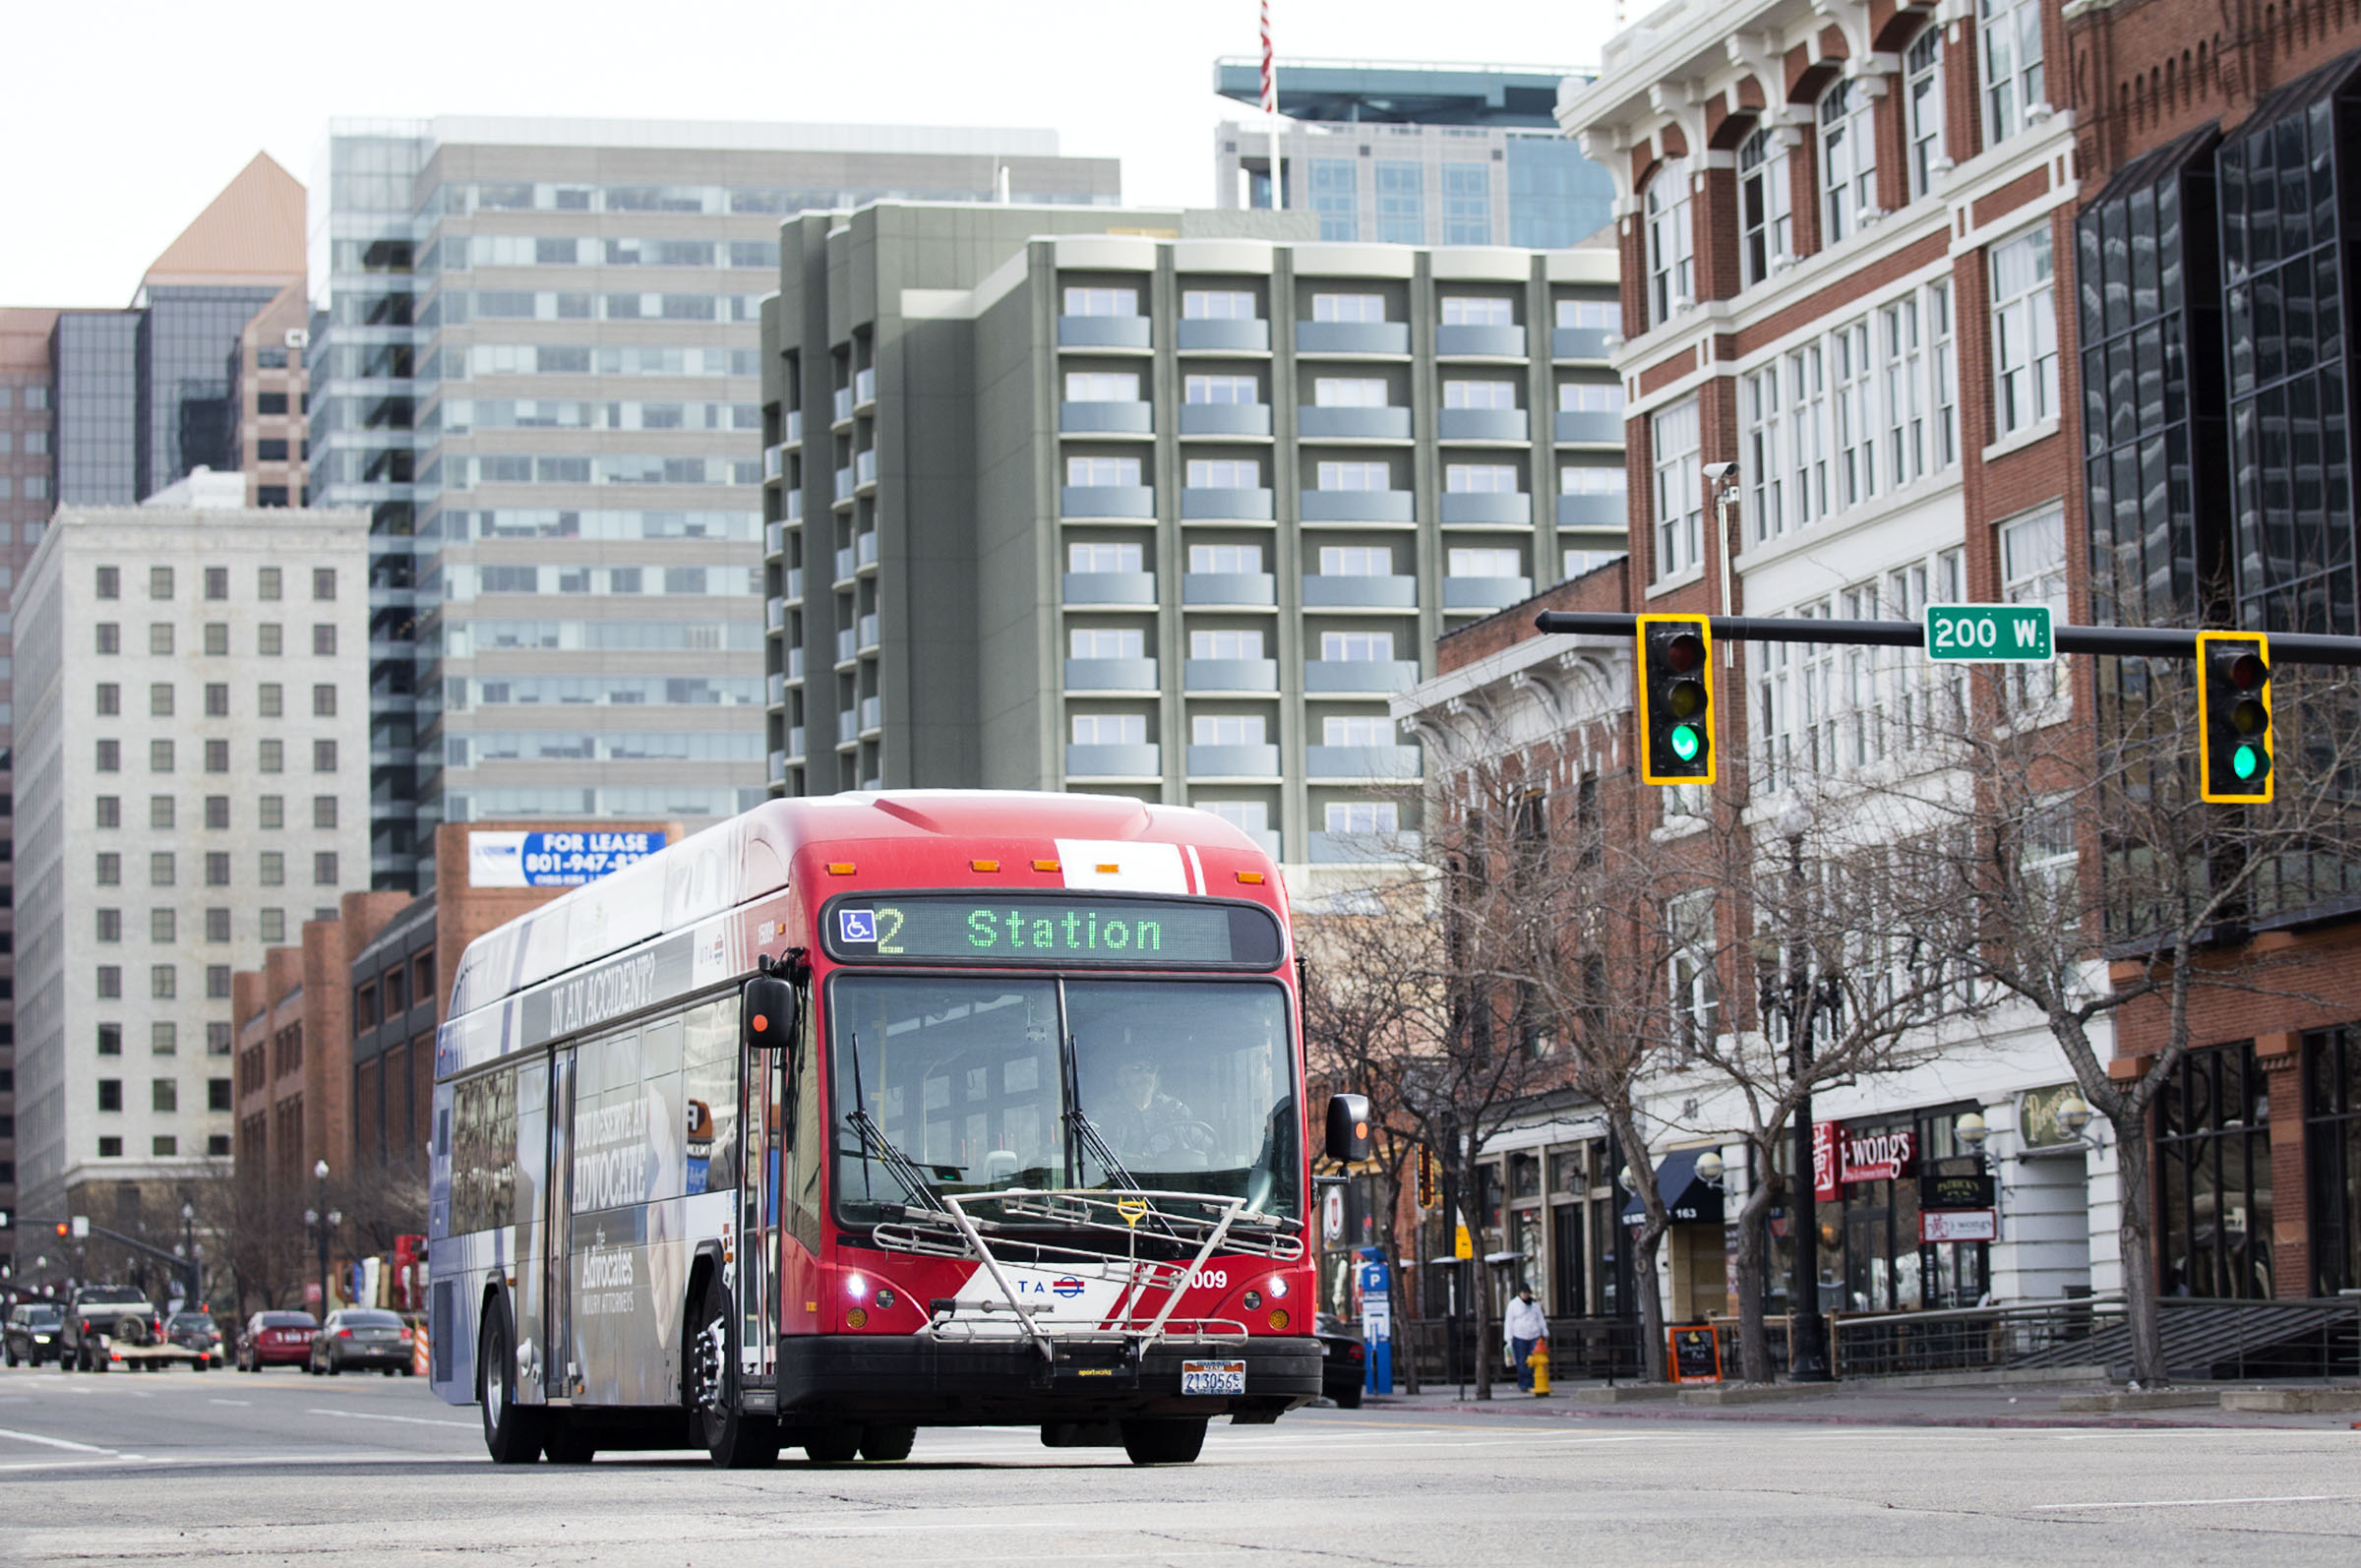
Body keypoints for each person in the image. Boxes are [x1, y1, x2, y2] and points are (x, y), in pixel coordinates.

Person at [1097, 1052, 1210, 1166]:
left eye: (1150, 1070)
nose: (1145, 1076)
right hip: (1128, 1182)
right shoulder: (1105, 1115)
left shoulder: (1176, 1110)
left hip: (1178, 1181)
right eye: (1137, 1069)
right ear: (1120, 1078)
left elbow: (1209, 1149)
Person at [1502, 1286, 1547, 1393]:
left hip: (1534, 1334)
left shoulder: (1535, 1305)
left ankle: (1533, 1382)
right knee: (1522, 1361)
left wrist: (1544, 1331)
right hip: (1519, 1335)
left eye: (1527, 1293)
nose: (1525, 1295)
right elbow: (1509, 1321)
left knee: (1534, 1360)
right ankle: (1523, 1383)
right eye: (1523, 1293)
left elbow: (1540, 1318)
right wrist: (1508, 1338)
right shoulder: (1513, 1305)